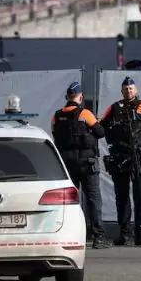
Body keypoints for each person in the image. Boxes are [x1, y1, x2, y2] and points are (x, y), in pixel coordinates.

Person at [100, 77, 141, 247]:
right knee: (122, 197)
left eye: (131, 89)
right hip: (120, 159)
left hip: (140, 159)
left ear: (136, 90)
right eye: (126, 89)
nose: (129, 92)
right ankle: (125, 234)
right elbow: (100, 128)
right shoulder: (113, 108)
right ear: (122, 91)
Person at [51, 82, 110, 249]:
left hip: (68, 165)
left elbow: (55, 133)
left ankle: (71, 234)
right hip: (87, 163)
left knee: (70, 202)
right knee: (93, 200)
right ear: (80, 96)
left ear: (67, 96)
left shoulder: (57, 115)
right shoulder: (85, 113)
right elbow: (100, 132)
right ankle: (98, 236)